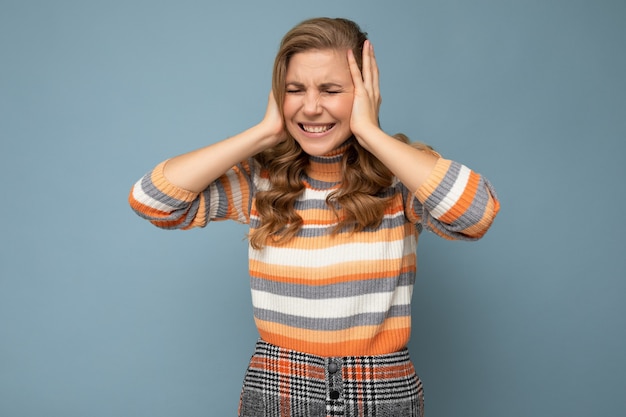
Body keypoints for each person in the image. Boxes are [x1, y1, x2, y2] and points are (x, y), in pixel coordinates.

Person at [129, 17, 499, 417]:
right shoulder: (261, 180)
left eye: (331, 90)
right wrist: (263, 132)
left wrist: (372, 133)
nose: (310, 107)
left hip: (382, 390)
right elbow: (151, 200)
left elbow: (476, 215)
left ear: (363, 93)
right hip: (276, 388)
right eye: (295, 90)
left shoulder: (400, 177)